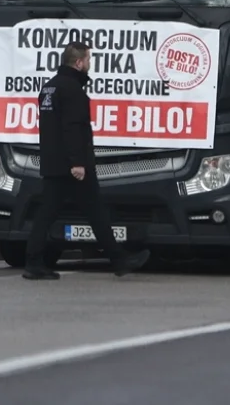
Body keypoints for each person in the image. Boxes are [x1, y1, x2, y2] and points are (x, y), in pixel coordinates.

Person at [22, 41, 150, 280]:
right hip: (72, 166)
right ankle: (120, 260)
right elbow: (73, 129)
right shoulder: (72, 91)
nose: (89, 64)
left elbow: (52, 129)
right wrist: (77, 163)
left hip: (53, 163)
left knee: (49, 213)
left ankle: (34, 262)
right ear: (79, 62)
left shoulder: (49, 88)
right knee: (95, 211)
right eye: (88, 60)